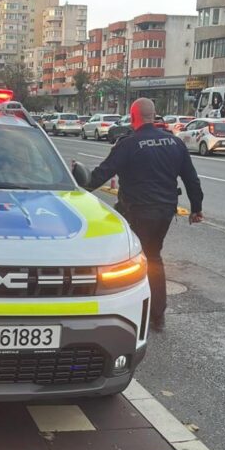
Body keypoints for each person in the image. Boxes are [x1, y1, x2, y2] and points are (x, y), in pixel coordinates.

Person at [83, 98, 204, 332]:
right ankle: (158, 316)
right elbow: (191, 179)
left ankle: (128, 312)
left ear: (133, 116)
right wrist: (196, 209)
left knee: (131, 261)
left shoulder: (128, 144)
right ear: (154, 115)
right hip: (165, 212)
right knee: (154, 258)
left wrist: (76, 188)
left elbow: (102, 174)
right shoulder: (174, 143)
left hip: (137, 211)